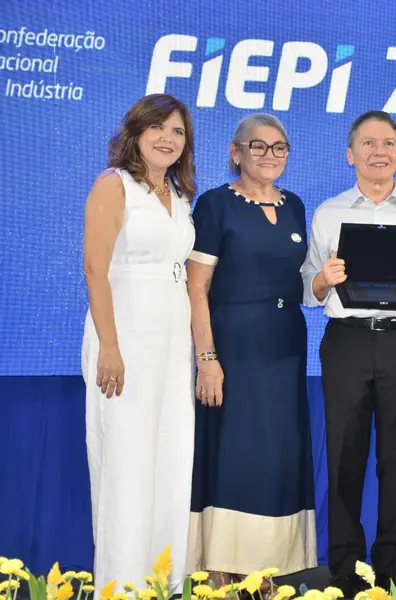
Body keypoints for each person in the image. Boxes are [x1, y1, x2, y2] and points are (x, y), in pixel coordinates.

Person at [300, 110, 396, 596]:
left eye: (388, 143)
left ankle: (392, 566)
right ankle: (345, 565)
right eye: (368, 144)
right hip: (345, 341)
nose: (378, 152)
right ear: (351, 155)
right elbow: (307, 286)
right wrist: (325, 279)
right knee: (344, 455)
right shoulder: (328, 212)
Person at [186, 114, 317, 591]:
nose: (269, 156)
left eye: (279, 147)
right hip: (233, 344)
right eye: (257, 146)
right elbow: (196, 289)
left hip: (286, 343)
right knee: (235, 452)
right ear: (235, 152)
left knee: (276, 453)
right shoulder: (216, 205)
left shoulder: (296, 205)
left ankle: (264, 567)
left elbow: (303, 281)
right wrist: (207, 359)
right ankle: (221, 566)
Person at [82, 93, 196, 592]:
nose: (168, 138)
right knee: (126, 465)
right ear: (135, 132)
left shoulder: (179, 194)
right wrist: (110, 345)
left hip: (172, 342)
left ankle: (161, 582)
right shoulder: (114, 185)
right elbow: (94, 268)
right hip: (125, 336)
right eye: (158, 128)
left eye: (177, 131)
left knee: (170, 460)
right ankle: (119, 585)